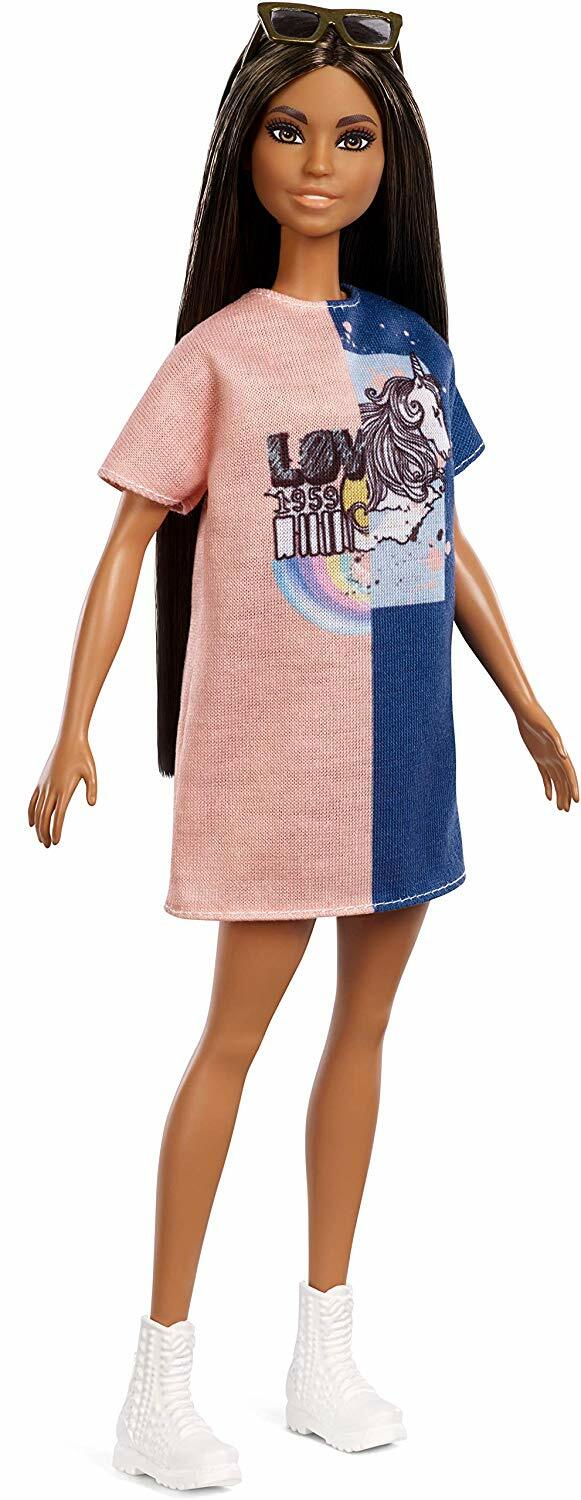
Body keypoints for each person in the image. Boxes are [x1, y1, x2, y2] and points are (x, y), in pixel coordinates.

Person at [28, 5, 578, 1490]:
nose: (319, 164)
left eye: (352, 137)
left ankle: (321, 1350)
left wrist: (525, 699)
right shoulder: (218, 358)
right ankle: (157, 1378)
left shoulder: (402, 347)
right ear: (246, 152)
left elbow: (434, 540)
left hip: (403, 743)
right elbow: (127, 539)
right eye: (289, 131)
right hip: (276, 758)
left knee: (362, 1038)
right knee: (232, 1043)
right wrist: (73, 726)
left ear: (391, 162)